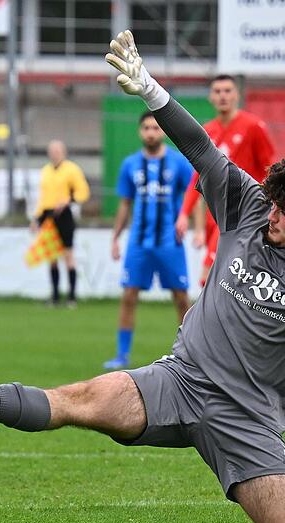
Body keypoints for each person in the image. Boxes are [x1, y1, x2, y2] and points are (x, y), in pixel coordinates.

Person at [0, 31, 285, 523]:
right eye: (274, 204)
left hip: (245, 418)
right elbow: (201, 149)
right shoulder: (250, 208)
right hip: (180, 380)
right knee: (84, 399)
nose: (273, 215)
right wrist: (150, 90)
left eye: (284, 212)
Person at [103, 112, 193, 370]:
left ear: (162, 131)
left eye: (155, 127)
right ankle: (122, 355)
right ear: (140, 132)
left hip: (170, 242)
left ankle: (190, 352)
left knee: (181, 297)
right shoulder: (130, 164)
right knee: (129, 296)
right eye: (146, 128)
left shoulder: (178, 162)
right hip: (139, 243)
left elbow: (193, 194)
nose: (151, 132)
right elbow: (124, 204)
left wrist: (192, 224)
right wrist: (115, 237)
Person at [175, 74, 275, 286]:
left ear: (237, 95)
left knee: (209, 278)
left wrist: (269, 209)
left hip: (242, 214)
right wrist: (184, 213)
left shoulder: (253, 126)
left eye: (227, 91)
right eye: (217, 91)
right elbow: (199, 175)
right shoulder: (208, 130)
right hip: (215, 216)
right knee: (225, 282)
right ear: (211, 97)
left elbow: (271, 171)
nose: (223, 96)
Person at [33, 140, 90, 307]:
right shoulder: (46, 171)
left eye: (57, 151)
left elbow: (83, 191)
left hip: (64, 215)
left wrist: (68, 200)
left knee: (68, 256)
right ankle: (55, 296)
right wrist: (37, 218)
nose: (54, 154)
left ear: (63, 152)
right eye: (52, 151)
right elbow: (43, 198)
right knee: (51, 257)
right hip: (48, 216)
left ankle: (71, 297)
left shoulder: (71, 169)